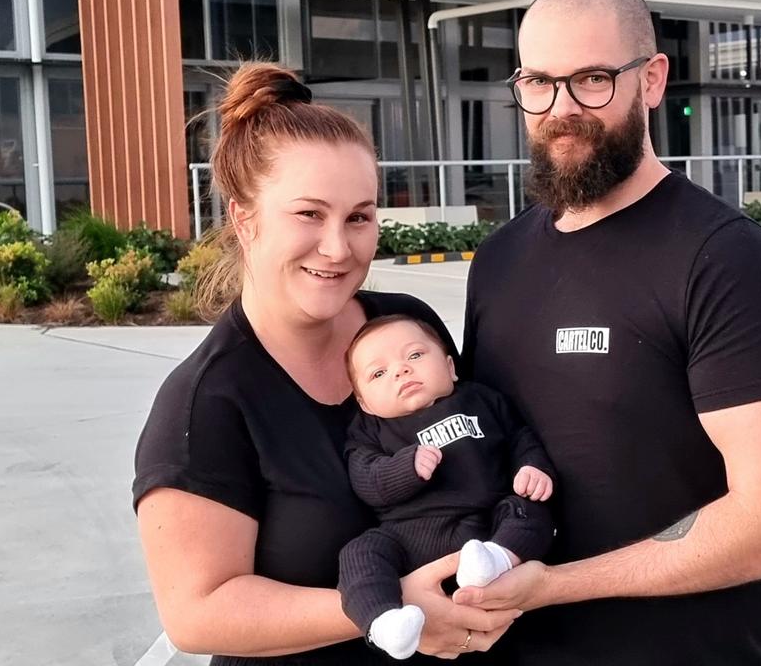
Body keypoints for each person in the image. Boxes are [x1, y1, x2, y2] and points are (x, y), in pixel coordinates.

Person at [454, 0, 761, 665]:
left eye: (593, 78)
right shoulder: (500, 260)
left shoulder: (726, 260)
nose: (561, 108)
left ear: (652, 79)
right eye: (538, 82)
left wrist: (554, 587)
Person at [131, 63, 519, 666]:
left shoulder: (402, 327)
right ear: (243, 216)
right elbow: (197, 612)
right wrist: (387, 609)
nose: (338, 248)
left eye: (359, 216)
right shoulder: (207, 402)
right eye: (309, 214)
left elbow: (484, 435)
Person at [336, 315, 556, 660]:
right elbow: (366, 481)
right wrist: (404, 468)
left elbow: (519, 436)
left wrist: (533, 467)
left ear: (451, 367)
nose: (400, 371)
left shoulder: (480, 400)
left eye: (415, 356)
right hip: (407, 536)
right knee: (359, 553)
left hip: (487, 523)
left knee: (531, 509)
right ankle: (384, 622)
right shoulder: (368, 431)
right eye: (378, 373)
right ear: (364, 401)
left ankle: (497, 562)